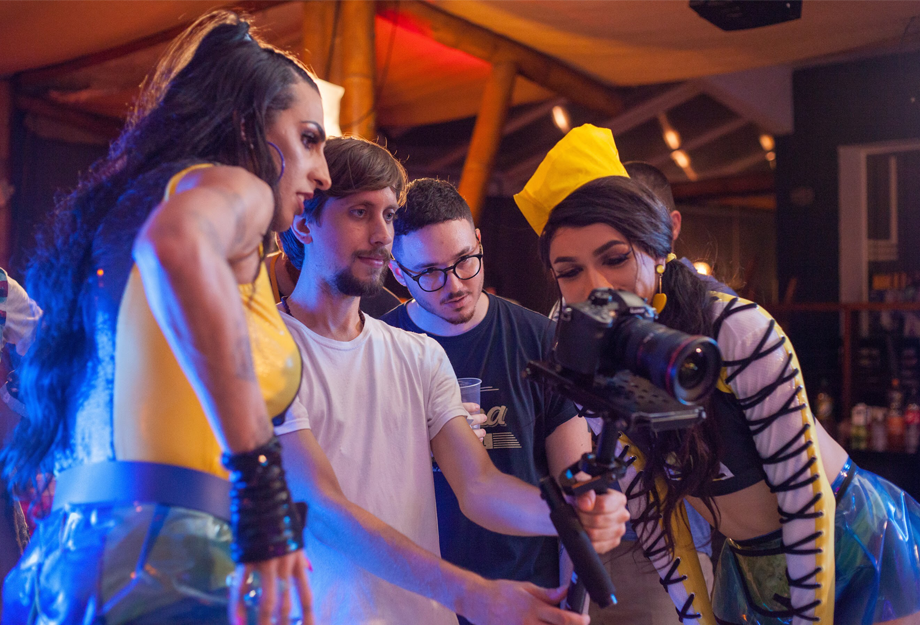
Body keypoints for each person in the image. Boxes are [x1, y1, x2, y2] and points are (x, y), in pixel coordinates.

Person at [515, 124, 920, 625]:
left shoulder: (736, 329)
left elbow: (806, 501)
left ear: (657, 246)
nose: (596, 287)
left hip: (851, 542)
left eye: (615, 258)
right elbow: (652, 512)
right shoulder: (584, 352)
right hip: (748, 566)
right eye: (569, 272)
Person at [1, 12, 331, 625]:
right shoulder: (240, 189)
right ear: (249, 129)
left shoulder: (124, 214)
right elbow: (175, 244)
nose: (323, 172)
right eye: (309, 139)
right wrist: (263, 495)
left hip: (70, 564)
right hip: (171, 565)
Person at [275, 135, 629, 625]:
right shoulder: (268, 350)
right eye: (359, 212)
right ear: (303, 223)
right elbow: (321, 507)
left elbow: (479, 485)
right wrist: (473, 594)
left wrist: (571, 513)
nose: (380, 233)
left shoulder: (418, 353)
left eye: (389, 214)